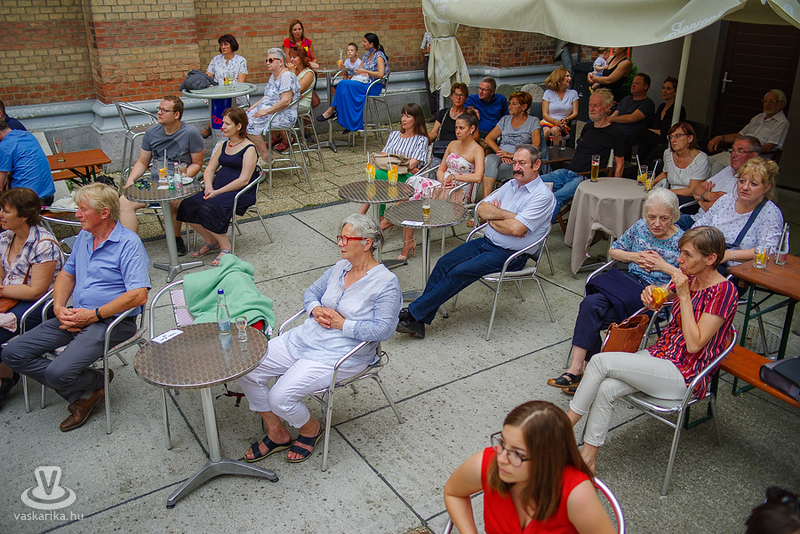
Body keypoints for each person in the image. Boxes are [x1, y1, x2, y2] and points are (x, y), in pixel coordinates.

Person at [567, 226, 739, 472]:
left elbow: (694, 344)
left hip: (686, 373)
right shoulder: (690, 278)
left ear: (710, 259)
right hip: (661, 355)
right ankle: (587, 460)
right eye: (680, 252)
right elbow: (662, 299)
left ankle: (561, 429)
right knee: (606, 387)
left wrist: (684, 297)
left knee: (599, 362)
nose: (679, 260)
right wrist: (651, 295)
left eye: (687, 255)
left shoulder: (724, 292)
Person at [238, 214, 401, 463]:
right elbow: (311, 292)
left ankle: (310, 428)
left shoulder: (386, 283)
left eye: (346, 239)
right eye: (340, 237)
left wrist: (343, 324)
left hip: (340, 354)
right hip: (305, 338)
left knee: (279, 398)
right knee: (247, 368)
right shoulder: (340, 267)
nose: (340, 243)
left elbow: (384, 329)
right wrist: (315, 309)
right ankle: (277, 432)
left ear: (367, 243)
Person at [4, 183, 150, 432]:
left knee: (57, 373)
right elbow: (67, 274)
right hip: (75, 314)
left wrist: (93, 315)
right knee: (12, 353)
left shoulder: (128, 243)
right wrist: (59, 307)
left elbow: (138, 295)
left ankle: (92, 384)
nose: (77, 214)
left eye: (83, 209)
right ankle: (88, 389)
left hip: (112, 321)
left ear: (104, 213)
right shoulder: (85, 236)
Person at [396, 145, 556, 339]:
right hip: (486, 242)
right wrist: (509, 217)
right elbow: (480, 208)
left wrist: (494, 217)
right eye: (514, 162)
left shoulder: (542, 196)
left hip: (511, 255)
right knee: (444, 263)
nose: (516, 168)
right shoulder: (510, 185)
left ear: (536, 164)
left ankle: (413, 314)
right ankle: (418, 320)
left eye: (522, 163)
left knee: (459, 271)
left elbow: (516, 229)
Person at [548, 188, 683, 393]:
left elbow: (687, 279)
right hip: (625, 284)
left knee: (590, 315)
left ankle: (582, 373)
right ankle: (577, 369)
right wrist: (635, 257)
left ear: (674, 216)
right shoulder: (641, 227)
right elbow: (614, 250)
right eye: (651, 217)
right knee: (590, 304)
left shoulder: (683, 242)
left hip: (652, 298)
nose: (656, 223)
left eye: (663, 218)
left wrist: (663, 266)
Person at [443, 401, 616, 534]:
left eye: (517, 453)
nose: (501, 458)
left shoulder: (576, 494)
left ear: (546, 459)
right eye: (502, 443)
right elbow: (453, 493)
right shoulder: (488, 463)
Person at [0, 188, 63, 408]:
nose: (1, 215)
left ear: (24, 215)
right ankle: (6, 373)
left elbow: (36, 291)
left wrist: (1, 291)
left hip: (40, 306)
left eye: (6, 211)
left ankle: (5, 378)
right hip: (11, 298)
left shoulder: (43, 244)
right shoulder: (5, 238)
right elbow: (2, 275)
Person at [119, 94, 204, 254]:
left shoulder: (191, 133)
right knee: (124, 201)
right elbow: (142, 162)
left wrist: (181, 177)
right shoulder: (151, 132)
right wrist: (131, 179)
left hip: (179, 183)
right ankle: (131, 248)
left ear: (176, 114)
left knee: (173, 202)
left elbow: (197, 164)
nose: (159, 113)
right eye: (159, 109)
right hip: (154, 183)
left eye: (164, 110)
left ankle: (176, 238)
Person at [177, 107, 258, 266]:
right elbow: (209, 169)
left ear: (239, 126)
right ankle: (211, 241)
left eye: (227, 124)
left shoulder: (249, 148)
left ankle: (226, 247)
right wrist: (209, 187)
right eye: (223, 123)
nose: (223, 127)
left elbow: (244, 180)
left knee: (211, 207)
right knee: (187, 205)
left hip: (238, 192)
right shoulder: (224, 145)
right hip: (216, 189)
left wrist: (217, 192)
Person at [540, 89, 625, 223]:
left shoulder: (615, 133)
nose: (591, 109)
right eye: (590, 105)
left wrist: (613, 192)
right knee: (533, 183)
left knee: (556, 198)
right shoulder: (588, 127)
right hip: (567, 172)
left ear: (607, 107)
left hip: (585, 178)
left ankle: (539, 231)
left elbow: (619, 166)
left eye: (596, 105)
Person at [358, 103, 428, 260]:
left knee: (377, 176)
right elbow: (383, 156)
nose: (403, 119)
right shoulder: (395, 135)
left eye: (408, 116)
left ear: (416, 119)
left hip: (407, 178)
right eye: (403, 115)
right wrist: (400, 162)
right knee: (376, 174)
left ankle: (365, 218)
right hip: (391, 173)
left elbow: (412, 165)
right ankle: (379, 219)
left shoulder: (421, 140)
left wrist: (394, 162)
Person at [692, 158, 783, 267]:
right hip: (705, 257)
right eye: (742, 181)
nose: (745, 187)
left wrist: (729, 255)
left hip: (734, 269)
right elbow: (699, 225)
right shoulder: (726, 200)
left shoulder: (770, 213)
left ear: (766, 187)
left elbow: (767, 250)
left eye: (753, 184)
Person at [677, 135, 761, 230]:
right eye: (732, 150)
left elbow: (721, 212)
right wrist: (709, 195)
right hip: (695, 219)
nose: (733, 155)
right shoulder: (729, 169)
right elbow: (696, 189)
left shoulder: (749, 183)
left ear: (754, 156)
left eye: (740, 151)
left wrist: (701, 199)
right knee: (666, 223)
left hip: (711, 229)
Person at [316, 33, 389, 132]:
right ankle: (349, 122)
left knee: (342, 84)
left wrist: (366, 71)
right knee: (344, 87)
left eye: (364, 41)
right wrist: (361, 72)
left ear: (371, 44)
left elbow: (380, 74)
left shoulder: (379, 56)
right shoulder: (366, 55)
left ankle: (332, 111)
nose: (362, 43)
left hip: (373, 86)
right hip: (363, 82)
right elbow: (359, 71)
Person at [707, 89, 790, 175]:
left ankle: (716, 184)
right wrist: (720, 138)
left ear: (781, 104)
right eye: (765, 101)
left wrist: (745, 150)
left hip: (753, 159)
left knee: (718, 165)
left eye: (771, 101)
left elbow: (769, 147)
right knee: (705, 161)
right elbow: (739, 135)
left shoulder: (782, 123)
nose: (767, 104)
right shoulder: (759, 117)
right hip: (735, 152)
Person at [246, 48, 300, 160]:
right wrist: (254, 106)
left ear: (281, 62)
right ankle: (253, 155)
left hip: (284, 115)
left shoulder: (286, 76)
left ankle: (265, 156)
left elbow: (286, 101)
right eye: (266, 60)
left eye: (270, 60)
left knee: (250, 124)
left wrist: (265, 111)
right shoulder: (273, 76)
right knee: (243, 119)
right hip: (272, 111)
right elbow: (268, 96)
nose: (267, 63)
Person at [483, 91, 542, 195]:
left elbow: (536, 145)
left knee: (489, 169)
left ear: (524, 107)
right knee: (490, 159)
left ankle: (486, 200)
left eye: (514, 104)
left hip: (517, 161)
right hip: (500, 157)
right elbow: (488, 139)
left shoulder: (533, 121)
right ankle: (486, 200)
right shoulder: (505, 120)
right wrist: (501, 153)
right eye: (510, 104)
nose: (510, 107)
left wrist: (511, 155)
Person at [433, 111, 485, 228]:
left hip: (460, 190)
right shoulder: (452, 144)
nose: (457, 131)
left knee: (420, 192)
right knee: (415, 182)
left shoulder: (477, 150)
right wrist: (443, 180)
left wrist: (454, 177)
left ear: (472, 128)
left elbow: (478, 177)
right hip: (444, 184)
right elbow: (440, 169)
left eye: (461, 128)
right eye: (456, 127)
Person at [626, 76, 687, 162]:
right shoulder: (661, 107)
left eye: (668, 89)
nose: (664, 91)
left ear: (675, 92)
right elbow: (654, 125)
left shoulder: (678, 110)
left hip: (666, 141)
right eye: (663, 88)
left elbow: (668, 132)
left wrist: (648, 130)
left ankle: (624, 156)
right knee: (639, 134)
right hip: (654, 137)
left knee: (642, 133)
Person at [200, 34, 249, 138]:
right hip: (218, 93)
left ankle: (211, 125)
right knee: (218, 99)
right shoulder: (216, 59)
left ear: (232, 45)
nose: (223, 47)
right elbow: (207, 77)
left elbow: (241, 82)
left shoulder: (241, 60)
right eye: (221, 45)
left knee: (225, 101)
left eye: (226, 44)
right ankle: (217, 128)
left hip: (235, 94)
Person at [0, 116, 56, 206]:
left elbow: (0, 186)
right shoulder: (27, 135)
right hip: (47, 197)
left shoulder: (4, 146)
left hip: (26, 202)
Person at [651, 122, 709, 203]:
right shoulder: (668, 153)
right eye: (671, 136)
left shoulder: (701, 159)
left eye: (678, 136)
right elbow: (666, 173)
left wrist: (666, 192)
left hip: (689, 200)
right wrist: (651, 183)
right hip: (669, 196)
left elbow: (692, 190)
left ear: (690, 138)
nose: (673, 140)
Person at [428, 83, 478, 161]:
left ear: (466, 98)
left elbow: (476, 136)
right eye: (455, 95)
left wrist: (460, 144)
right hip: (441, 150)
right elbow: (434, 133)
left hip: (460, 152)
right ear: (451, 96)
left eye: (461, 95)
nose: (458, 98)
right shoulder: (443, 113)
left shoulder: (469, 115)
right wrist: (423, 138)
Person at [607, 73, 655, 142]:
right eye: (633, 83)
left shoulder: (647, 104)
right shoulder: (626, 99)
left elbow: (631, 118)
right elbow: (615, 113)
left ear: (645, 87)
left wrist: (611, 119)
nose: (633, 85)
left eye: (637, 83)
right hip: (612, 132)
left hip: (628, 138)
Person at [541, 67, 579, 146]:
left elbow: (575, 113)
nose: (570, 78)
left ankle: (557, 153)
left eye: (569, 76)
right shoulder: (548, 93)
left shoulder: (573, 93)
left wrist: (566, 119)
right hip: (547, 122)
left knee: (556, 130)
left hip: (562, 124)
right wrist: (555, 122)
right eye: (567, 76)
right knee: (546, 131)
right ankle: (539, 152)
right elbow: (545, 114)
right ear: (559, 79)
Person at [288, 46, 319, 115]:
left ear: (301, 58)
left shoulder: (308, 73)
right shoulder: (291, 70)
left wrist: (292, 74)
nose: (291, 59)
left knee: (277, 109)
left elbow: (296, 90)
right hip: (289, 100)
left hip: (301, 103)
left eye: (294, 57)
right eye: (290, 57)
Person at [420, 30, 439, 122]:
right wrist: (427, 50)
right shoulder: (427, 33)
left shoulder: (442, 32)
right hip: (429, 59)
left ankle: (440, 114)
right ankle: (434, 114)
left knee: (439, 88)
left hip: (439, 60)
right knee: (430, 87)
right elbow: (422, 50)